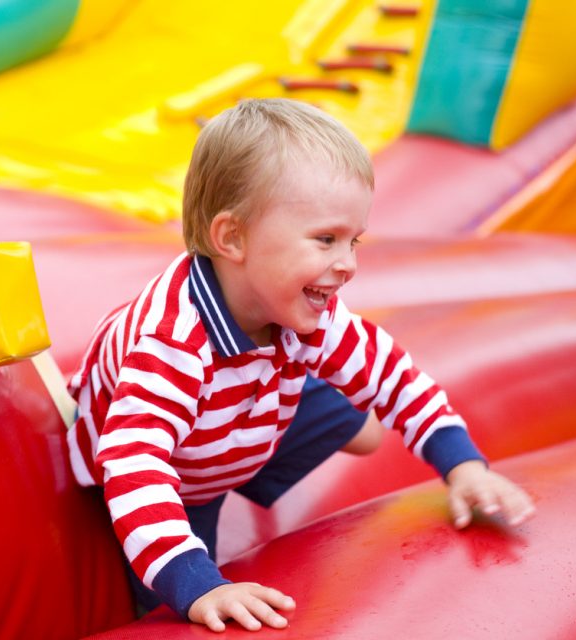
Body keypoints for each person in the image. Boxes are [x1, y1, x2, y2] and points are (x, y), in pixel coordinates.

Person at [66, 98, 536, 632]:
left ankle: (284, 423)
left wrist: (464, 465)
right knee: (167, 604)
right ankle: (249, 450)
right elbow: (135, 469)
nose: (349, 265)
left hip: (252, 394)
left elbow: (393, 375)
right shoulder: (171, 347)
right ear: (233, 238)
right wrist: (199, 585)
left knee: (367, 427)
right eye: (326, 240)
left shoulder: (303, 308)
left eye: (353, 241)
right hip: (185, 462)